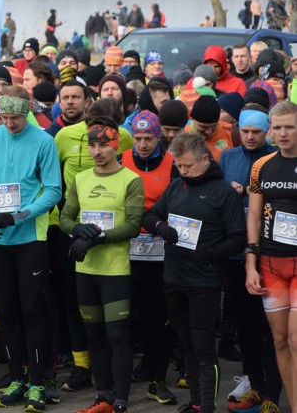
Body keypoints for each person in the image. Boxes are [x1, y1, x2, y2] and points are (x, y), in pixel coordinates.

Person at [142, 132, 245, 413]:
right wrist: (161, 228)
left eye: (187, 165)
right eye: (178, 165)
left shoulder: (223, 191)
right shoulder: (177, 187)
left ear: (204, 159)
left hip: (204, 280)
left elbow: (238, 237)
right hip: (174, 276)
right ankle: (197, 403)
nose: (182, 171)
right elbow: (149, 216)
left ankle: (207, 407)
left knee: (203, 349)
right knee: (185, 344)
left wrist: (210, 254)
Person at [0, 85, 63, 411]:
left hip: (29, 236)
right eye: (4, 117)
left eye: (15, 117)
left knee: (32, 309)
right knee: (6, 309)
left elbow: (53, 190)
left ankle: (39, 381)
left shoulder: (43, 141)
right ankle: (15, 377)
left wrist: (19, 216)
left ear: (26, 112)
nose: (9, 123)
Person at [59, 117, 143, 413]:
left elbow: (133, 225)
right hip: (86, 271)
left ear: (116, 146)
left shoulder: (130, 180)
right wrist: (77, 229)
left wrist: (99, 237)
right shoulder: (81, 180)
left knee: (117, 335)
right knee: (93, 333)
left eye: (103, 145)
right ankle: (102, 394)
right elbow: (65, 216)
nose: (97, 151)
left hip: (115, 271)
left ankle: (121, 398)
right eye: (92, 145)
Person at [219, 109, 282, 413]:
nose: (250, 137)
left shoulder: (275, 160)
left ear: (267, 131)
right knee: (244, 325)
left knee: (270, 328)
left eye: (256, 131)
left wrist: (244, 192)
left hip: (270, 251)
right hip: (235, 252)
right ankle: (255, 386)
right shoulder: (228, 158)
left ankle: (273, 391)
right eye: (245, 131)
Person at [120, 111, 180, 406]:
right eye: (138, 138)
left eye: (149, 138)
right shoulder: (123, 160)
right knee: (133, 315)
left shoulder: (171, 164)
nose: (142, 144)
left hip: (161, 248)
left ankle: (159, 378)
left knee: (160, 315)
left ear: (159, 137)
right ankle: (144, 363)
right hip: (128, 248)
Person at [245, 101, 297, 411]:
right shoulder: (260, 166)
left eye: (289, 126)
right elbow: (252, 216)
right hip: (270, 265)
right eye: (277, 127)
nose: (283, 133)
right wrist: (251, 264)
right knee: (279, 341)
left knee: (295, 340)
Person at [186, 95, 233, 161]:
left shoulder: (232, 132)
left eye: (214, 126)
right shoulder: (181, 135)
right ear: (191, 118)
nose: (209, 131)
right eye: (203, 127)